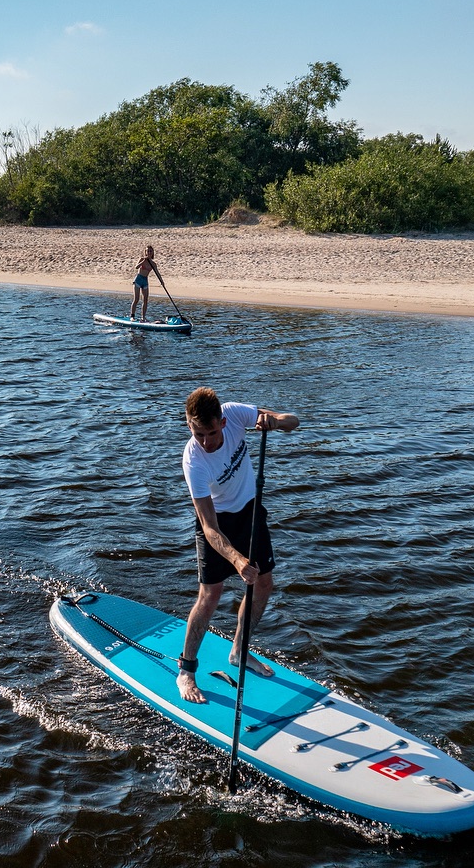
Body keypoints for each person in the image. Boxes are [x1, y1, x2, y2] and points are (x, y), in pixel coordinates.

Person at [176, 386, 300, 704]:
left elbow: (293, 420)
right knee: (210, 595)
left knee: (264, 585)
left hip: (250, 512)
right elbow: (208, 527)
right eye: (198, 434)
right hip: (217, 523)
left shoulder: (234, 413)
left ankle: (239, 651)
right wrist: (237, 560)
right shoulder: (193, 461)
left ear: (223, 422)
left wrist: (273, 422)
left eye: (211, 433)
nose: (206, 442)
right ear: (189, 426)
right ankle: (186, 670)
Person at [131, 245, 157, 322]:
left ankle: (143, 317)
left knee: (145, 300)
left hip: (145, 281)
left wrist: (162, 282)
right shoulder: (142, 259)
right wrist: (143, 261)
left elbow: (157, 273)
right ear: (145, 252)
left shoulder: (153, 264)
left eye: (150, 251)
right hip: (138, 279)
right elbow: (136, 267)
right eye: (148, 251)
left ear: (152, 253)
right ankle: (132, 316)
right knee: (136, 299)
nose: (149, 252)